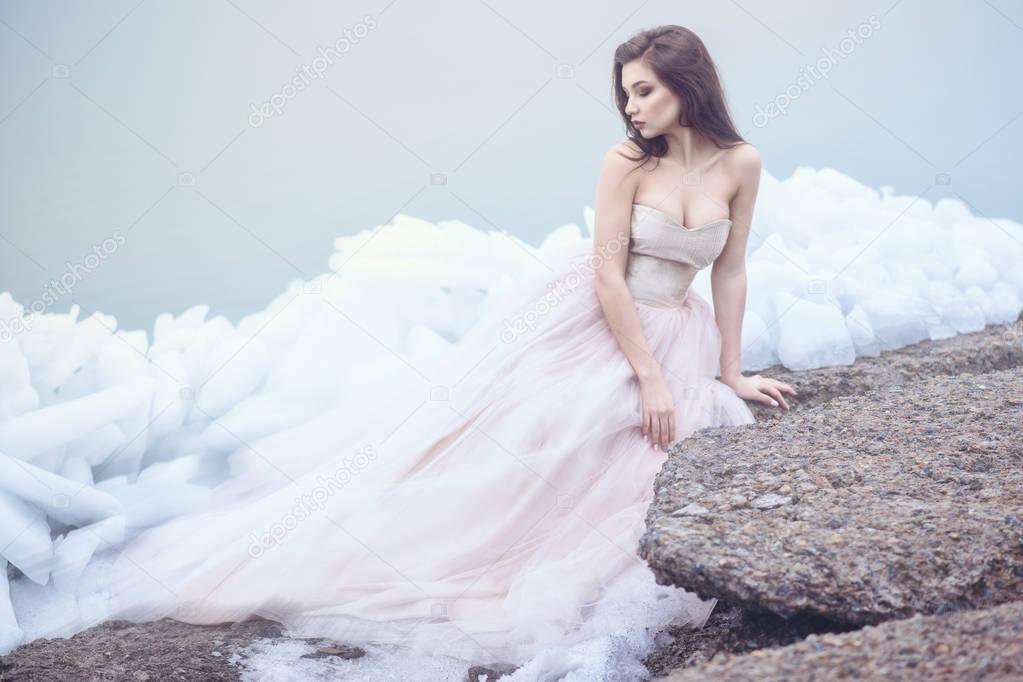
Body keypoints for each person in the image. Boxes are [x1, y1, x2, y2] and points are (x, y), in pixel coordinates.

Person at [81, 24, 796, 668]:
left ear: (686, 82)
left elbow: (729, 269)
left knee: (645, 465)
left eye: (643, 91)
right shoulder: (626, 162)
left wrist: (728, 371)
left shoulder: (740, 163)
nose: (631, 108)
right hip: (598, 316)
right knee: (543, 433)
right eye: (625, 95)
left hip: (679, 321)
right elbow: (607, 272)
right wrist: (647, 375)